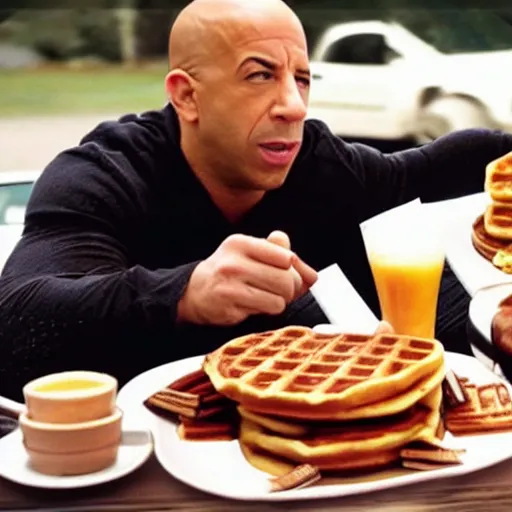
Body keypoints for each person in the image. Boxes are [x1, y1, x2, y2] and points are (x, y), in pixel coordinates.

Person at [0, 0, 510, 402]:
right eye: (260, 75)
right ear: (186, 96)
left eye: (302, 78)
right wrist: (185, 292)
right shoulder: (106, 173)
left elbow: (421, 170)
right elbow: (18, 317)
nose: (292, 105)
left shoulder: (316, 162)